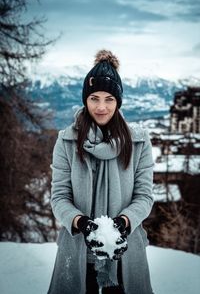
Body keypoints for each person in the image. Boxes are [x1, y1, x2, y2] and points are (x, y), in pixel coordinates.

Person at [47, 49, 154, 294]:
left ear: (118, 101)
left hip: (125, 255)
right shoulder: (66, 141)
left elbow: (145, 196)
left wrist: (124, 223)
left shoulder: (138, 142)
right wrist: (81, 222)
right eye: (94, 98)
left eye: (109, 99)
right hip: (77, 252)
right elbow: (59, 197)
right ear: (85, 99)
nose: (102, 107)